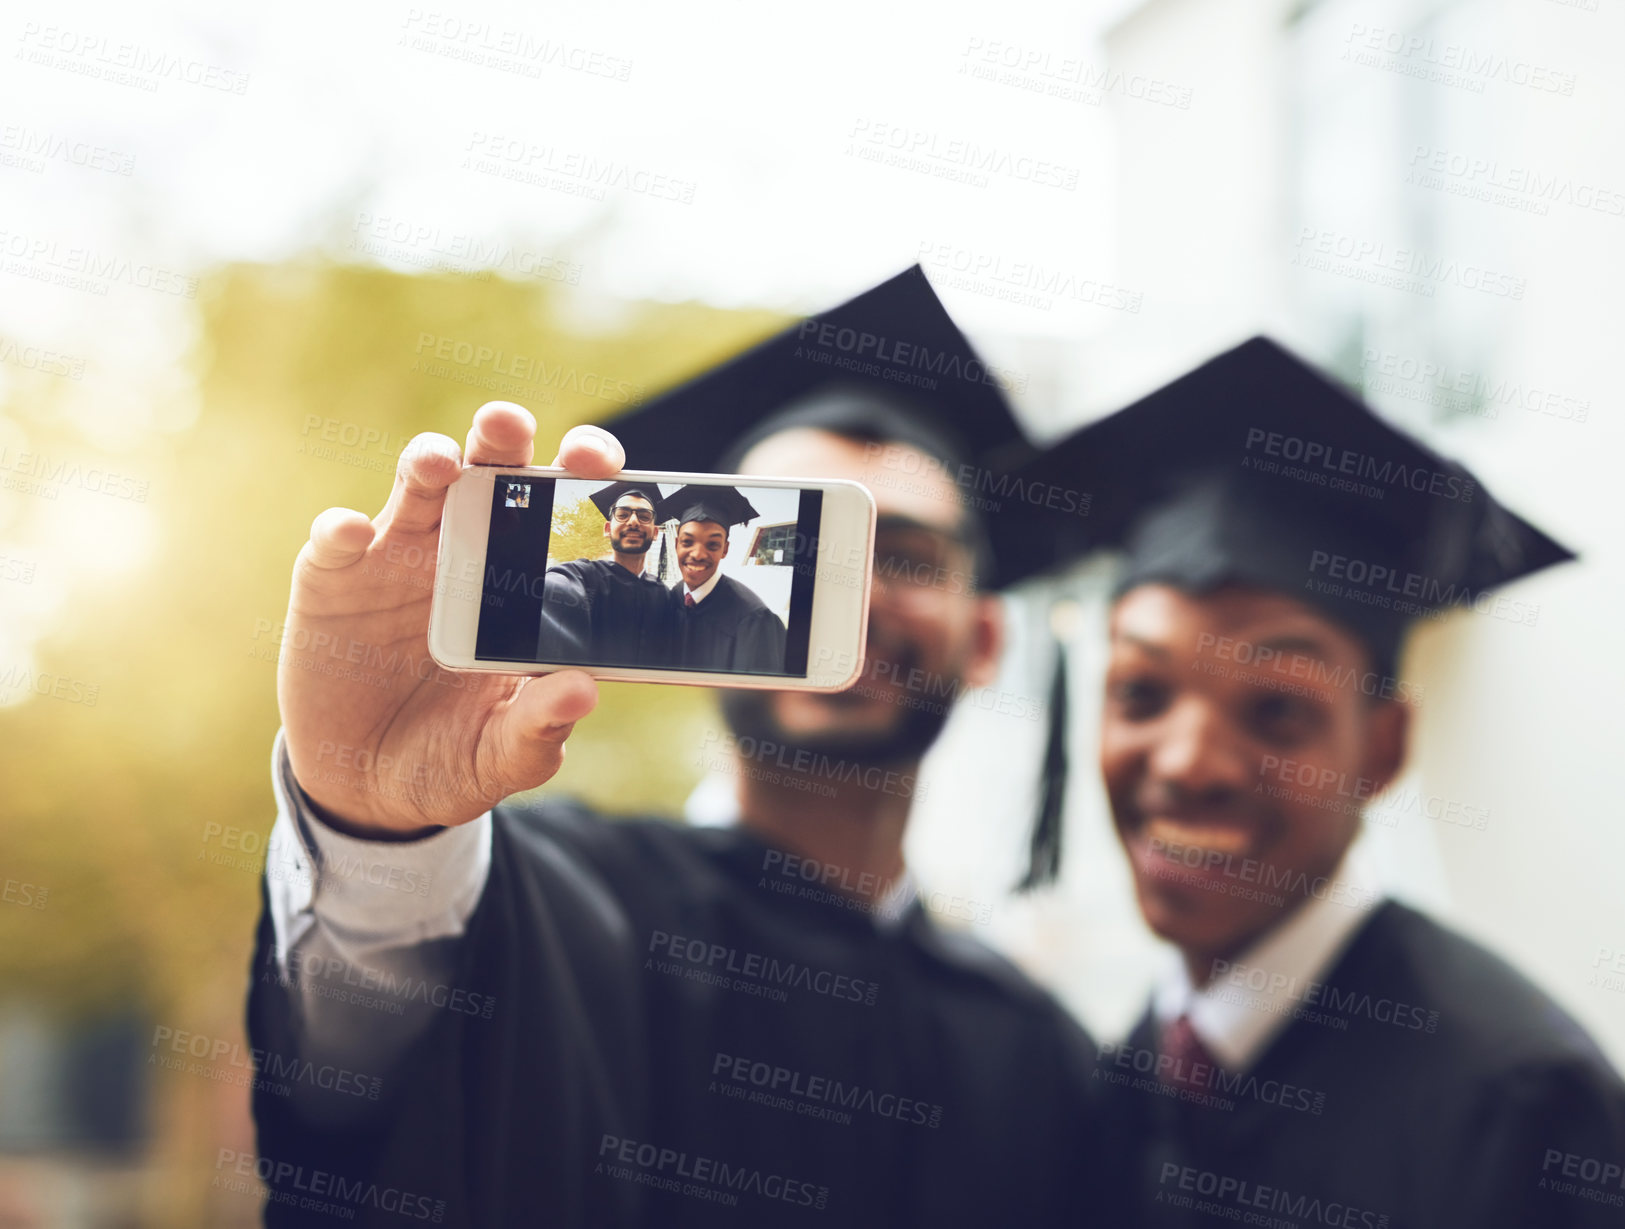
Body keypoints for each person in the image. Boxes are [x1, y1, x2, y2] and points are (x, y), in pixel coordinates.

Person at [248, 267, 1120, 1227]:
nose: (855, 597)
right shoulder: (552, 898)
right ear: (693, 613)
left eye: (905, 556)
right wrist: (371, 819)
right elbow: (351, 1066)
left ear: (987, 639)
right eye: (793, 551)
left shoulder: (1041, 1054)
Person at [1011, 336, 1625, 1227]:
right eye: (1141, 691)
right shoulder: (1121, 1078)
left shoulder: (1524, 1110)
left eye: (1275, 712)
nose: (1186, 761)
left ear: (1382, 747)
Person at [539, 480, 675, 667]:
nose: (633, 521)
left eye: (644, 516)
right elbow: (555, 586)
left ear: (655, 533)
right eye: (623, 514)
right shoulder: (584, 576)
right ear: (607, 529)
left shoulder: (662, 593)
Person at [656, 484, 787, 674]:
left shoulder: (754, 620)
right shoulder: (674, 596)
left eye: (712, 544)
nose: (698, 554)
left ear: (725, 549)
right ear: (677, 544)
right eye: (687, 541)